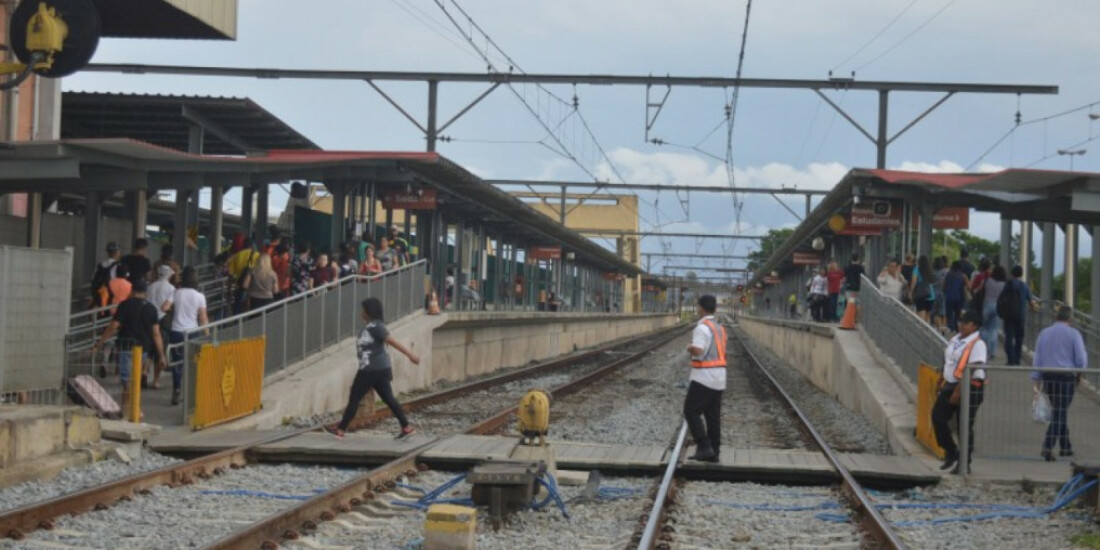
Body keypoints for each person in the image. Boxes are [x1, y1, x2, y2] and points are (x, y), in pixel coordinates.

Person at [328, 297, 421, 439]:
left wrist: (410, 355)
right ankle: (406, 427)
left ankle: (341, 430)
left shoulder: (375, 327)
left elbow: (391, 341)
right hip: (379, 368)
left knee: (355, 397)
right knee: (388, 398)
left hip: (370, 369)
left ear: (369, 311)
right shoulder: (373, 326)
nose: (361, 312)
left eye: (363, 309)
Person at [92, 280, 166, 412]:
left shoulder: (125, 305)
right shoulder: (151, 308)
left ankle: (127, 409)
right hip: (143, 349)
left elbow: (114, 326)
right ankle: (134, 409)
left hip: (125, 347)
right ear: (145, 293)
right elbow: (156, 333)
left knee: (127, 381)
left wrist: (100, 342)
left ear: (132, 291)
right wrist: (161, 355)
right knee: (135, 379)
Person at [931, 309, 987, 474]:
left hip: (970, 387)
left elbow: (971, 369)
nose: (961, 325)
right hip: (950, 384)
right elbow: (949, 360)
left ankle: (964, 462)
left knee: (965, 425)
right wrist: (941, 378)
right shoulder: (955, 339)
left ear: (974, 326)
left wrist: (958, 391)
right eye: (961, 322)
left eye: (966, 323)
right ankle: (950, 450)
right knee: (938, 417)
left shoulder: (978, 344)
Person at [1031, 306, 1088, 461]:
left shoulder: (1044, 333)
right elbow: (1081, 358)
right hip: (1066, 377)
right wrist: (1080, 374)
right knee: (1060, 412)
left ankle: (1065, 446)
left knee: (1059, 410)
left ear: (1055, 317)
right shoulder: (1074, 334)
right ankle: (1047, 446)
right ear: (1070, 319)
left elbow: (1038, 357)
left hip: (1049, 376)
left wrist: (1036, 379)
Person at [685, 295, 726, 462]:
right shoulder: (719, 328)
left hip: (704, 377)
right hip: (719, 377)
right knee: (712, 416)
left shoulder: (702, 328)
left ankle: (703, 445)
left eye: (697, 307)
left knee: (691, 411)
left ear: (701, 308)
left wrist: (690, 348)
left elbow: (699, 351)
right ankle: (714, 450)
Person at [162, 266, 209, 406]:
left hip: (176, 332)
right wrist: (207, 335)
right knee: (193, 362)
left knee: (178, 363)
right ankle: (192, 393)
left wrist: (173, 310)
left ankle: (177, 389)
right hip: (193, 332)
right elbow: (203, 318)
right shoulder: (199, 296)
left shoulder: (176, 293)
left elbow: (164, 308)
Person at [146, 265, 176, 388]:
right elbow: (166, 307)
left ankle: (144, 373)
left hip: (148, 320)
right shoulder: (172, 289)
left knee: (149, 350)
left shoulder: (149, 287)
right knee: (160, 351)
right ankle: (156, 380)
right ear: (168, 275)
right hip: (163, 321)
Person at [1002, 266, 1033, 365]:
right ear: (1021, 274)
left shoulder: (1007, 285)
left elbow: (1002, 297)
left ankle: (1010, 359)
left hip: (1008, 314)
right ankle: (1017, 359)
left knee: (1009, 337)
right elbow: (1030, 300)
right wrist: (1033, 308)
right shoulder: (1024, 286)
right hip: (1020, 315)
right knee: (1019, 337)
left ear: (1011, 273)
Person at [978, 265, 1007, 360]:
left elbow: (981, 290)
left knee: (984, 327)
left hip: (987, 305)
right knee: (994, 329)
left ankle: (983, 348)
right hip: (998, 306)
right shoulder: (1004, 284)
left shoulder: (988, 281)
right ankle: (992, 352)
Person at [228, 239, 259, 314]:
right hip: (252, 287)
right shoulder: (257, 255)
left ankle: (237, 322)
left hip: (238, 286)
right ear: (252, 246)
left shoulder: (236, 256)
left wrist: (229, 290)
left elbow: (231, 275)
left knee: (237, 309)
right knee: (249, 309)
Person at [90, 242, 123, 312]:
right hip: (111, 297)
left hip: (99, 296)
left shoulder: (100, 265)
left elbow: (92, 279)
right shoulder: (118, 266)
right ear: (117, 252)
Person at [908, 255, 936, 324]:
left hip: (921, 295)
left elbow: (913, 282)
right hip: (931, 295)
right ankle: (928, 333)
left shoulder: (916, 270)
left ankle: (922, 333)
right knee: (928, 316)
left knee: (921, 318)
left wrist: (910, 293)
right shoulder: (930, 271)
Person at [943, 261, 969, 333]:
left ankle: (951, 328)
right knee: (958, 313)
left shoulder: (948, 274)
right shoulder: (963, 275)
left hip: (949, 297)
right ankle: (957, 328)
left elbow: (944, 286)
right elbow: (969, 286)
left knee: (949, 313)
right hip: (959, 297)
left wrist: (945, 292)